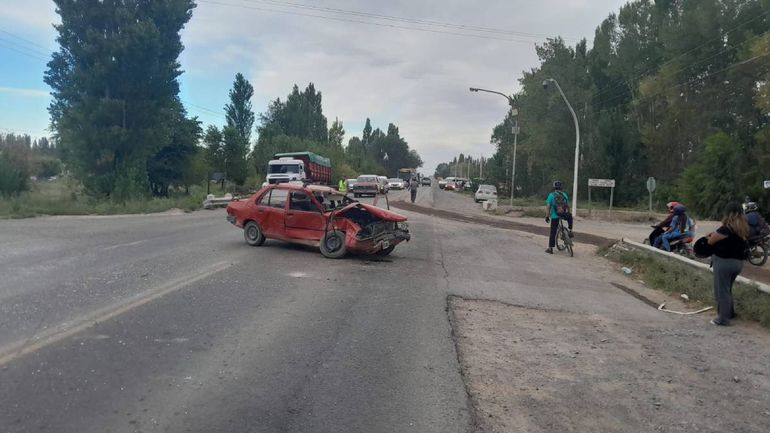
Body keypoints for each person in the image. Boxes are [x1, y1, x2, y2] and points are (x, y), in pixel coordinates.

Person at [707, 202, 749, 326]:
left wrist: (710, 236)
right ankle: (729, 313)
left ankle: (723, 319)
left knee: (722, 291)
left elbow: (710, 241)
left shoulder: (725, 229)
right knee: (727, 289)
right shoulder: (744, 229)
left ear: (727, 214)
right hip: (738, 263)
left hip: (724, 263)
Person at [544, 181, 573, 254]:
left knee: (553, 232)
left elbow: (548, 207)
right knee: (570, 217)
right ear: (561, 187)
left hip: (555, 216)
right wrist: (567, 213)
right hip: (563, 214)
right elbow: (567, 206)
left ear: (554, 187)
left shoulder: (551, 195)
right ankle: (570, 230)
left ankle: (550, 249)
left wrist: (547, 216)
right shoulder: (565, 195)